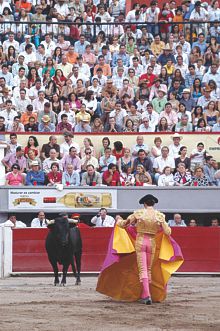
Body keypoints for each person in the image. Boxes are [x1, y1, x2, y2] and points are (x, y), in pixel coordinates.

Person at [97, 194, 183, 305]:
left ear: (144, 204)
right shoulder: (160, 216)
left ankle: (146, 295)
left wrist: (118, 221)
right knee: (148, 269)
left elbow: (124, 225)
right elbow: (168, 232)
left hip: (141, 242)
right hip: (152, 243)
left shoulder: (138, 213)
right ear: (153, 204)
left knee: (143, 270)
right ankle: (144, 294)